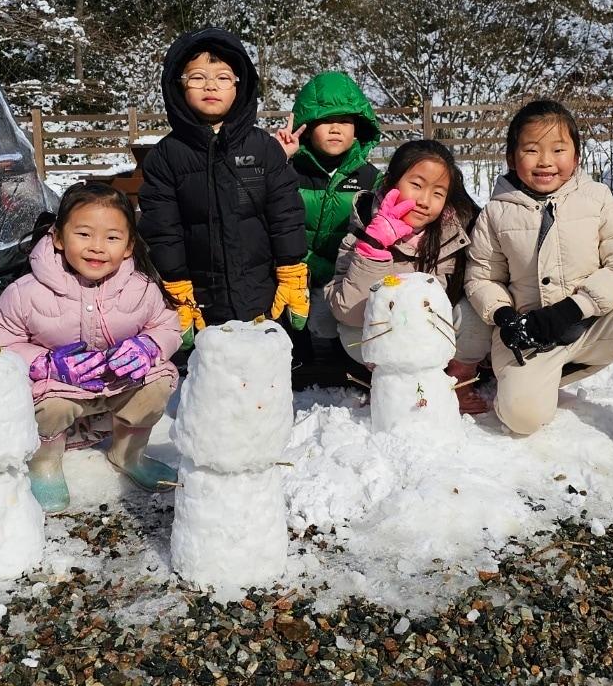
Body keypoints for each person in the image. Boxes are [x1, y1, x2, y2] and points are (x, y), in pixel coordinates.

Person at [465, 99, 613, 483]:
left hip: (589, 321)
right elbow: (481, 277)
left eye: (558, 150)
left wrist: (574, 308)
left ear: (575, 155)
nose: (545, 161)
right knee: (520, 418)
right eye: (532, 150)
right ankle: (549, 375)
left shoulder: (596, 199)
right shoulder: (495, 213)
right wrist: (503, 315)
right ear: (512, 157)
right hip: (530, 334)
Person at [0, 180, 181, 511]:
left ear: (129, 246)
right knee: (50, 401)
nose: (97, 247)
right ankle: (45, 464)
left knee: (159, 379)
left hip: (117, 384)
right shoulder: (27, 291)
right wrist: (44, 364)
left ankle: (129, 455)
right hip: (60, 392)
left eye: (112, 237)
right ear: (58, 238)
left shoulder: (142, 287)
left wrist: (149, 345)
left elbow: (166, 325)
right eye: (84, 234)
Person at [138, 28, 309, 345]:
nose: (211, 85)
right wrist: (176, 282)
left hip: (263, 288)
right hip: (200, 294)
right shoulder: (166, 156)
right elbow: (163, 227)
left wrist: (291, 269)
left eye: (223, 77)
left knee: (263, 371)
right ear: (179, 85)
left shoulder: (264, 148)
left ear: (239, 85)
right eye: (198, 77)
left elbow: (286, 212)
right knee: (211, 373)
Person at [326, 139, 491, 414]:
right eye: (416, 185)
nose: (425, 201)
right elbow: (348, 312)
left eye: (438, 193)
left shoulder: (457, 231)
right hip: (390, 334)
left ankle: (459, 381)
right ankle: (391, 384)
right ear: (390, 182)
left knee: (475, 311)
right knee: (351, 331)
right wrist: (374, 247)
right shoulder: (362, 231)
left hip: (438, 333)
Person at [274, 71, 382, 384]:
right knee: (290, 308)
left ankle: (345, 356)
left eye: (345, 121)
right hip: (297, 269)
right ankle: (295, 352)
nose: (335, 129)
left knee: (332, 322)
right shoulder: (288, 171)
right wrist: (276, 162)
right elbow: (267, 216)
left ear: (358, 127)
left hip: (343, 273)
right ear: (306, 127)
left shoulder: (369, 178)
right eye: (324, 120)